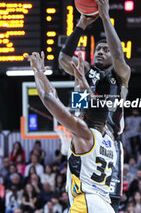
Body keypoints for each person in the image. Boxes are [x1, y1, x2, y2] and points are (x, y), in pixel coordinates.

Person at [58, 0, 131, 213]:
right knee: (80, 196)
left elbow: (119, 55)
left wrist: (105, 16)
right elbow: (63, 58)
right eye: (98, 49)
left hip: (109, 139)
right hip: (85, 132)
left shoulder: (121, 74)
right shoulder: (86, 70)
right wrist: (81, 24)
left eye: (105, 50)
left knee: (109, 202)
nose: (100, 52)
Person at [27, 49, 117, 212]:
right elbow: (88, 108)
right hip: (106, 205)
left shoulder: (84, 133)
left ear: (83, 118)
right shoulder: (109, 137)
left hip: (87, 203)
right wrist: (81, 80)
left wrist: (37, 70)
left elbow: (49, 97)